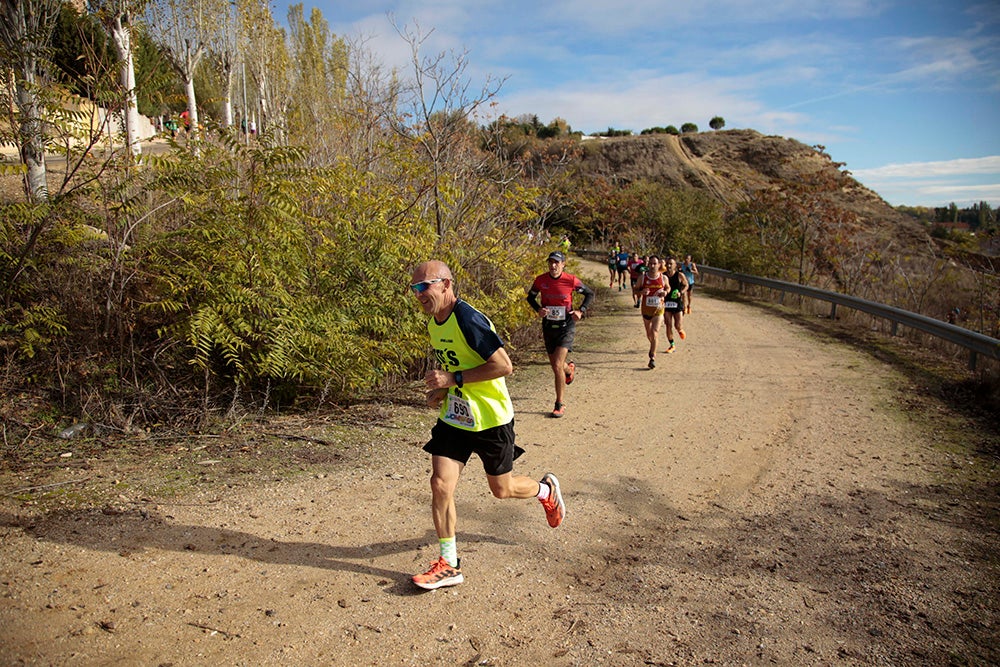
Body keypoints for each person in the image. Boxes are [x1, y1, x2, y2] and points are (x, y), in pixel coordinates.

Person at [409, 260, 566, 590]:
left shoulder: (468, 319)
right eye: (415, 288)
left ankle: (545, 491)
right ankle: (449, 564)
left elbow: (503, 365)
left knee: (502, 489)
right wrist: (443, 390)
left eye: (425, 286)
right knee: (440, 483)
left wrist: (453, 378)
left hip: (492, 418)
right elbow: (456, 364)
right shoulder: (435, 322)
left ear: (447, 285)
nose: (419, 294)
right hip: (456, 417)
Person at [527, 251, 595, 418]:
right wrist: (538, 309)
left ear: (563, 264)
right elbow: (530, 297)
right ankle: (569, 370)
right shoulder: (541, 280)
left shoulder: (571, 280)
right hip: (549, 326)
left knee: (557, 365)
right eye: (550, 262)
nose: (553, 265)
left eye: (557, 262)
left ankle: (559, 404)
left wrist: (581, 310)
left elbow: (589, 294)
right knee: (557, 366)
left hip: (567, 326)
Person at [637, 256, 666, 368]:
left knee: (654, 331)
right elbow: (635, 290)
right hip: (646, 309)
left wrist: (665, 293)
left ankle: (652, 357)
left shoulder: (663, 278)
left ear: (659, 265)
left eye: (655, 264)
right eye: (651, 264)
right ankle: (653, 344)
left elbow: (667, 288)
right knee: (649, 334)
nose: (653, 266)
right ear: (648, 265)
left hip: (659, 309)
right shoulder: (643, 278)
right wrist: (641, 291)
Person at [662, 257, 689, 353]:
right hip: (667, 303)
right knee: (668, 325)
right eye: (667, 264)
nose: (669, 266)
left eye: (671, 264)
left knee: (677, 325)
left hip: (677, 303)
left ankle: (680, 329)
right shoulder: (663, 276)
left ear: (675, 265)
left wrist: (681, 292)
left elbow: (686, 285)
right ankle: (672, 345)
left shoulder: (679, 275)